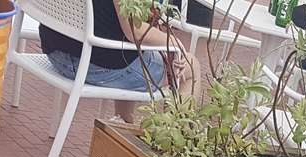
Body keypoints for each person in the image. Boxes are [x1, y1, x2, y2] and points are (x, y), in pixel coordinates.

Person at [39, 0, 199, 124]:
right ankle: (170, 145)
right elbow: (134, 30)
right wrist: (172, 42)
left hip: (56, 52)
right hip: (95, 64)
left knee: (131, 49)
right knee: (192, 67)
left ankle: (123, 122)